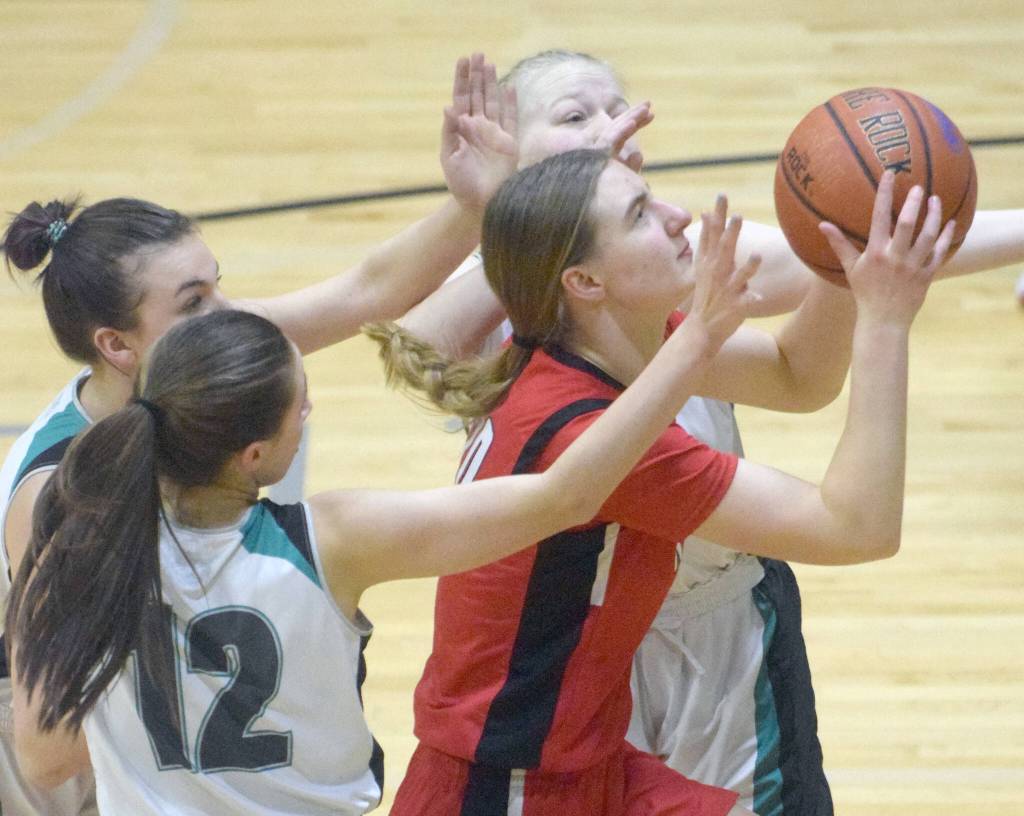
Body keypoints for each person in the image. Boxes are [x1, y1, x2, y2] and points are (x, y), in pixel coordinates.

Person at [395, 49, 1024, 814]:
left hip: (597, 731)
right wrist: (885, 319)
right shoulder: (591, 414)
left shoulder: (600, 332)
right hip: (516, 780)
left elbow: (795, 374)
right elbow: (857, 527)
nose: (678, 214)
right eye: (574, 120)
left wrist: (844, 262)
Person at [6, 195, 761, 816]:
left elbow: (48, 751)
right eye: (301, 407)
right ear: (255, 455)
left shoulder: (82, 540)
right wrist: (694, 342)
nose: (309, 410)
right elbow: (568, 495)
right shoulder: (335, 536)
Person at [0, 52, 517, 816]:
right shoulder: (53, 490)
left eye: (218, 281)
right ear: (118, 345)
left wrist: (477, 205)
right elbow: (54, 725)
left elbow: (367, 289)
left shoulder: (213, 356)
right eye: (194, 299)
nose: (231, 311)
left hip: (207, 704)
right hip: (79, 749)